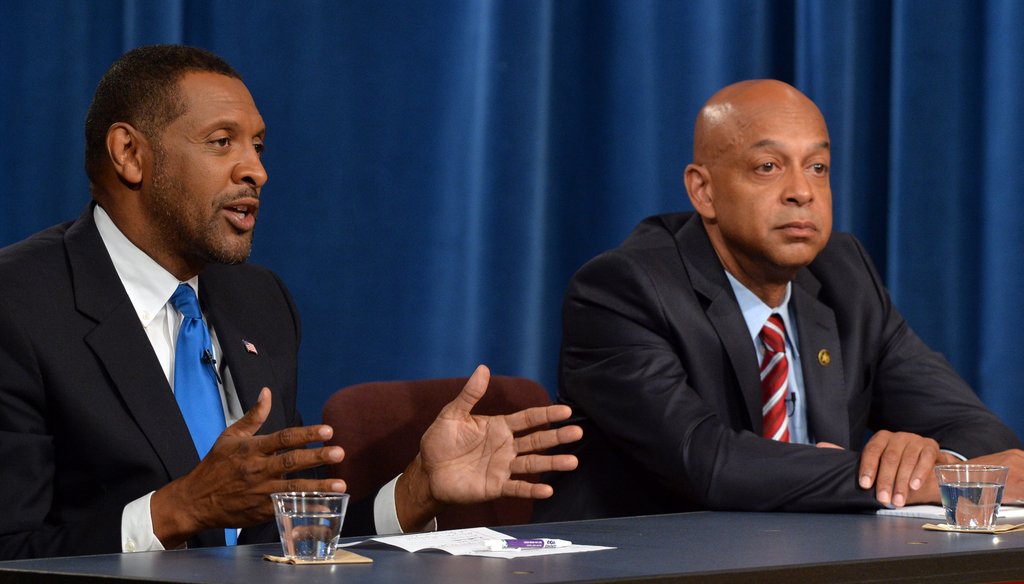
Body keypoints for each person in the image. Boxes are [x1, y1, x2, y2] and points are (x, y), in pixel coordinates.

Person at [0, 44, 582, 560]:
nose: (256, 170)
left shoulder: (259, 301)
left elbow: (285, 542)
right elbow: (12, 549)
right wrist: (174, 512)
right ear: (129, 153)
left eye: (257, 146)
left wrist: (412, 493)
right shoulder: (19, 305)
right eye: (221, 142)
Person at [533, 79, 1024, 523]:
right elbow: (710, 464)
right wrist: (915, 481)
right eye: (768, 167)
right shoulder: (623, 288)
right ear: (703, 191)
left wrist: (943, 463)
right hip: (647, 567)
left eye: (818, 167)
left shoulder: (845, 274)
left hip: (814, 562)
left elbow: (979, 431)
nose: (801, 192)